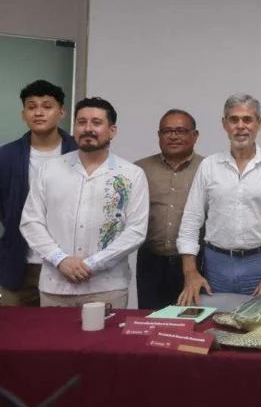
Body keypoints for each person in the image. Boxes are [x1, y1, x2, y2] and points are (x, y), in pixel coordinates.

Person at [19, 97, 148, 308]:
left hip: (107, 288)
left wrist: (92, 264)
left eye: (96, 123)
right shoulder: (50, 170)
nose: (88, 128)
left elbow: (136, 230)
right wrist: (61, 260)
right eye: (81, 122)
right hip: (55, 287)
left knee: (104, 342)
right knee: (50, 342)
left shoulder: (131, 175)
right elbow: (31, 222)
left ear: (112, 130)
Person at [176, 94, 261, 311]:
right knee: (216, 327)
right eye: (233, 120)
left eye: (247, 119)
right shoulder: (209, 166)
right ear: (224, 124)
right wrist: (190, 272)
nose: (241, 126)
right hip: (216, 265)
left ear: (258, 123)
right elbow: (191, 220)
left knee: (258, 328)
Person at [0, 80, 78, 306]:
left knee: (61, 335)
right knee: (11, 334)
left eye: (47, 106)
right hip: (19, 265)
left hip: (67, 264)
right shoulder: (7, 156)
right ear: (24, 114)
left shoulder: (79, 152)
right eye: (32, 106)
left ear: (61, 111)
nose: (39, 112)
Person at [134, 109, 203, 309]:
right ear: (159, 136)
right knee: (150, 320)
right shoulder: (139, 170)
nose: (173, 136)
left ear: (195, 135)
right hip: (151, 260)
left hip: (195, 262)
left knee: (192, 321)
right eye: (167, 131)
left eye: (180, 131)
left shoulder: (208, 168)